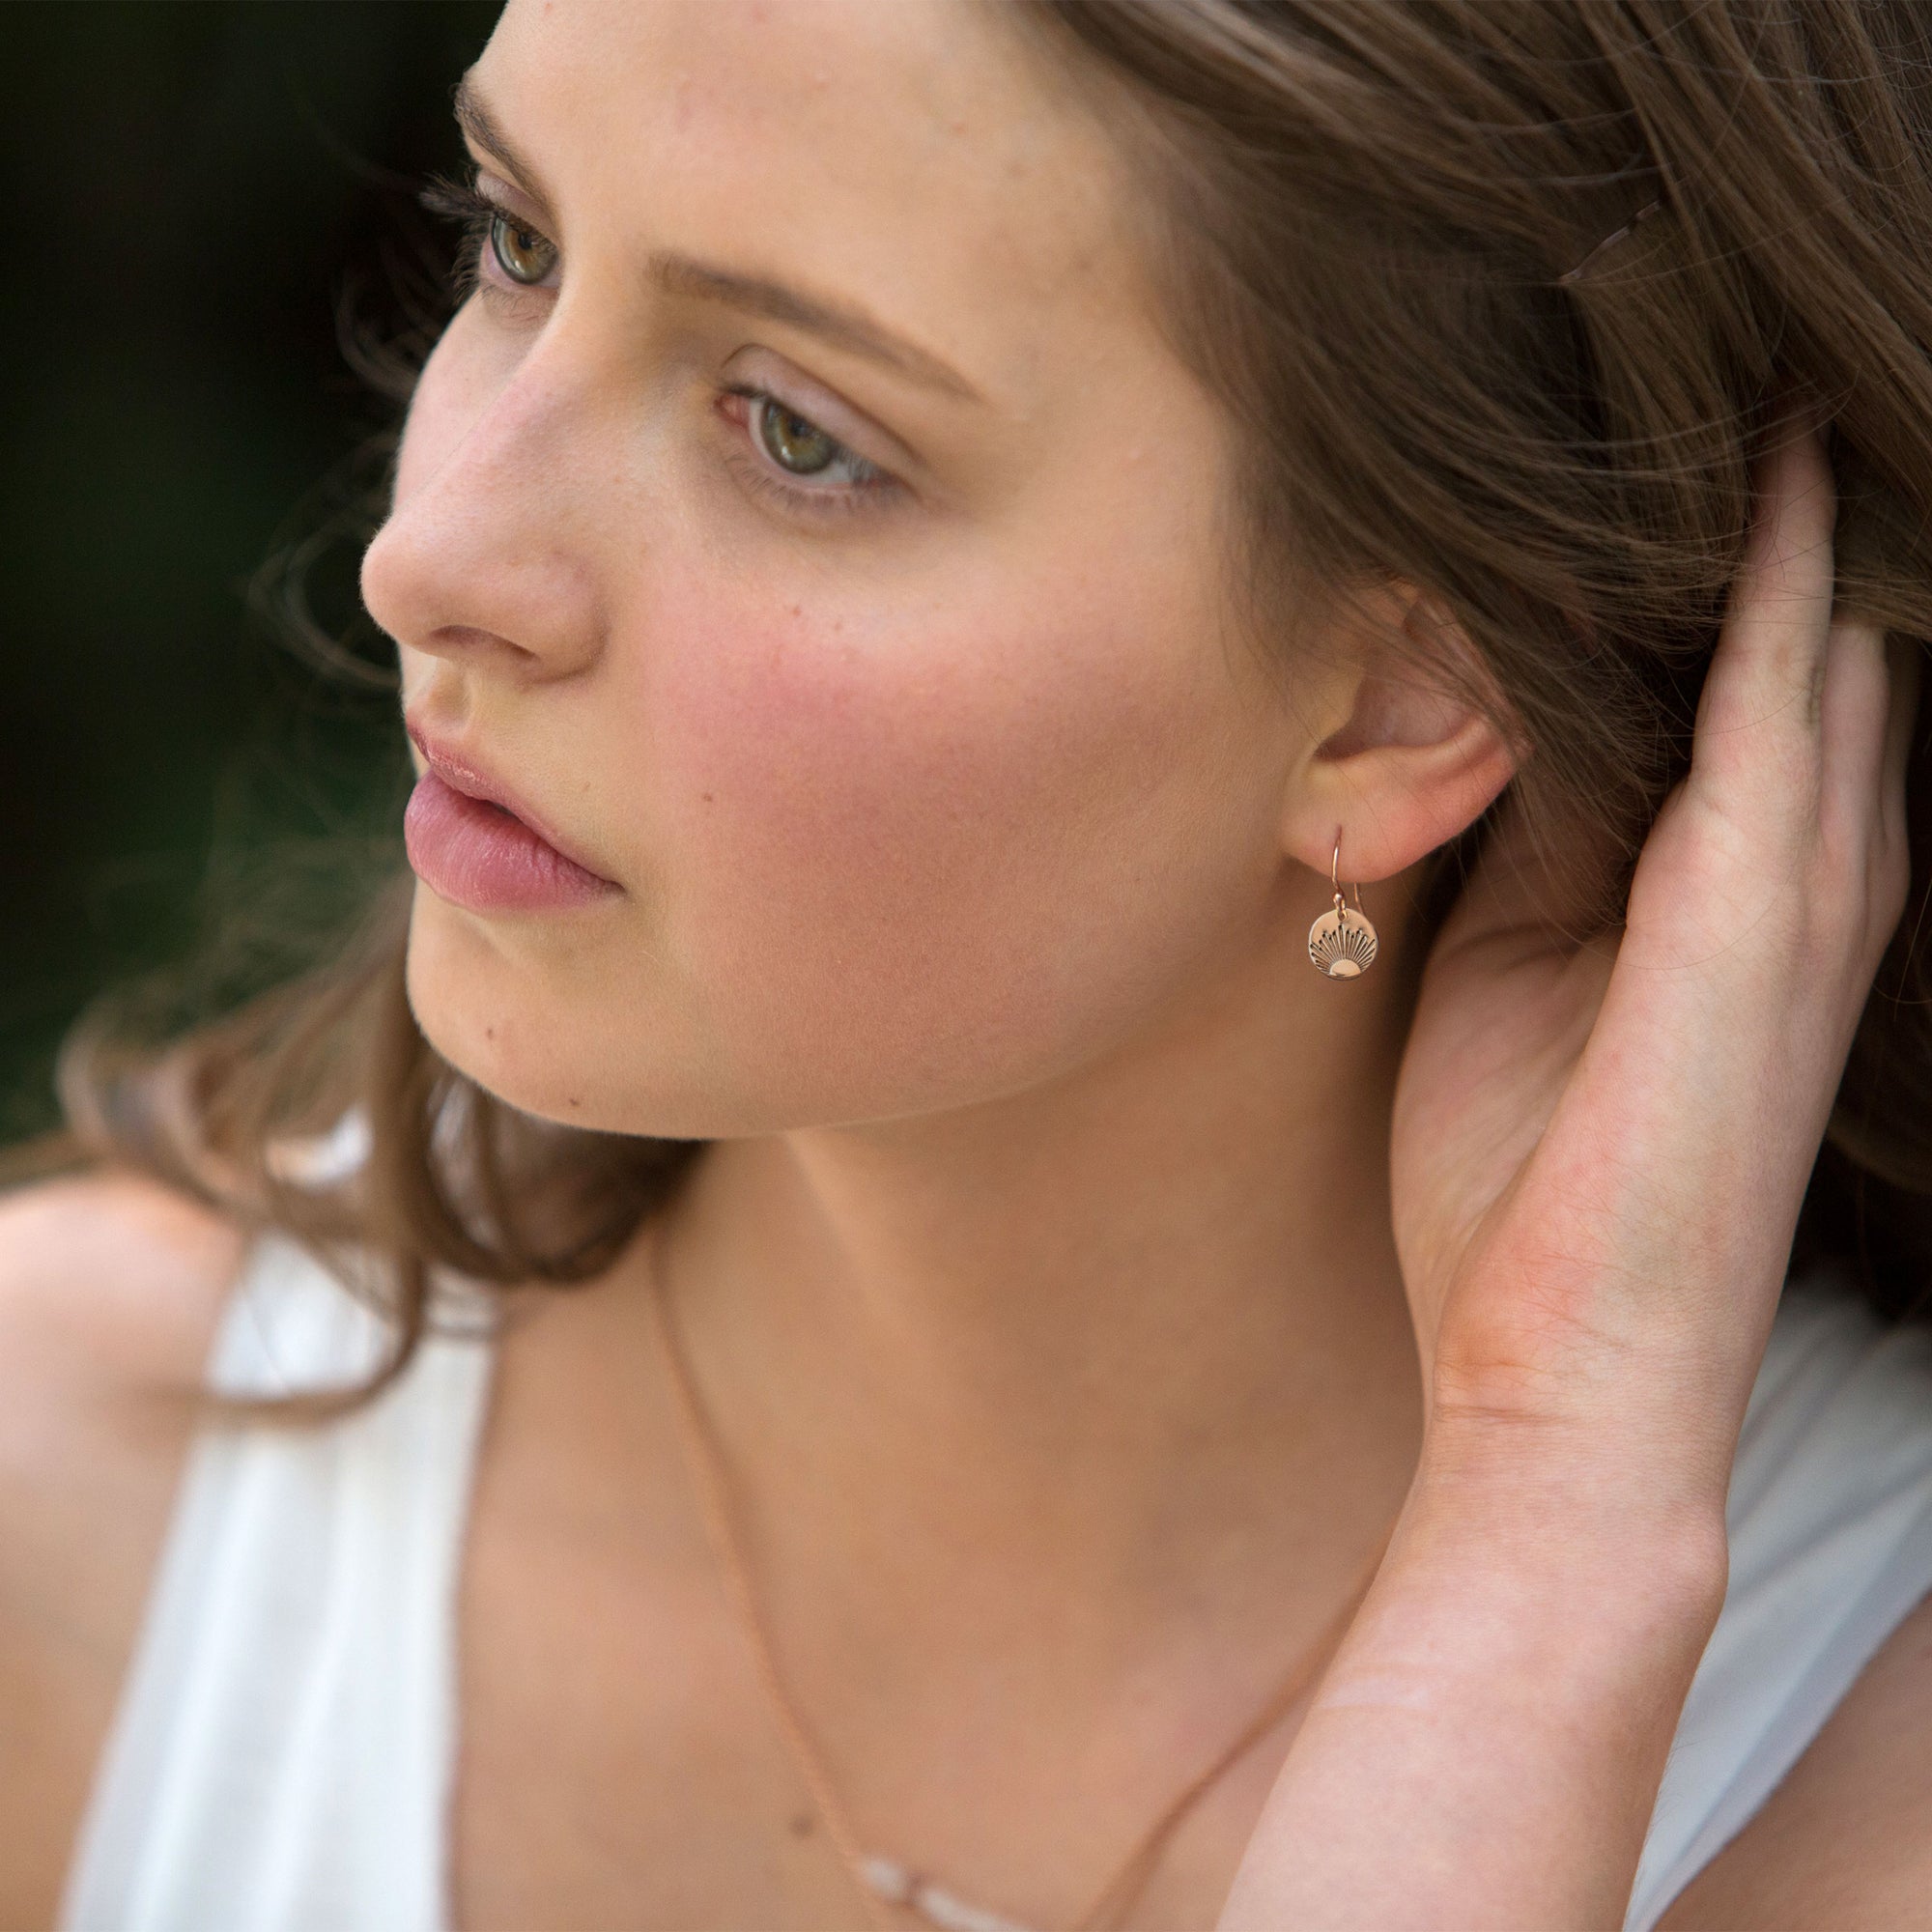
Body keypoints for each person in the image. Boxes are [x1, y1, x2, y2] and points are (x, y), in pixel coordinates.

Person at [9, 0, 1932, 1925]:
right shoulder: (60, 1512)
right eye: (516, 239)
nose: (432, 552)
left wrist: (1534, 1571)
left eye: (794, 433)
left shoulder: (1857, 1770)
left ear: (1390, 708)